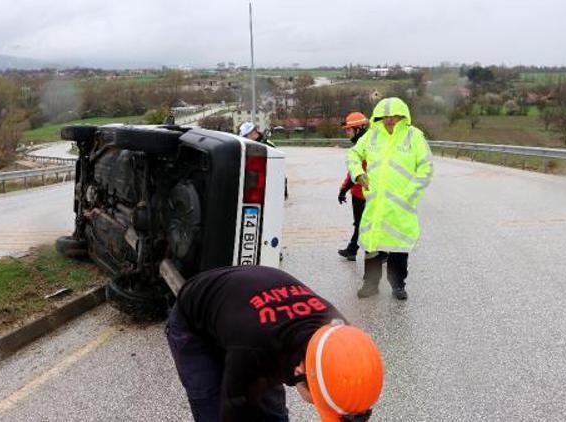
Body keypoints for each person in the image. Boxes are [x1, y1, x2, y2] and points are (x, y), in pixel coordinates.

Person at [166, 265, 384, 421]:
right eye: (317, 401)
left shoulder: (343, 337)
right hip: (195, 322)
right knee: (211, 407)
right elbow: (233, 409)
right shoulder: (255, 350)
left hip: (244, 307)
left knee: (271, 410)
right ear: (300, 369)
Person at [347, 97, 433, 301]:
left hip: (401, 206)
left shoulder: (414, 136)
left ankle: (398, 285)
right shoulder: (372, 136)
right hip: (376, 204)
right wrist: (358, 173)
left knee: (398, 248)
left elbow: (426, 167)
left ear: (403, 116)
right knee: (372, 246)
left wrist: (410, 194)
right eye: (385, 116)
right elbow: (353, 155)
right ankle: (370, 284)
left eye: (394, 115)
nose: (390, 120)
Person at [337, 112, 370, 261]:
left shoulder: (362, 147)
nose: (347, 133)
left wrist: (343, 190)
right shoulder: (370, 143)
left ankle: (356, 249)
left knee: (362, 223)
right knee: (362, 223)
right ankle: (353, 249)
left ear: (359, 129)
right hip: (364, 193)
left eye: (349, 130)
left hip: (361, 194)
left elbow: (354, 174)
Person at [240, 121, 287, 199]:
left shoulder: (267, 145)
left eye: (246, 136)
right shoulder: (246, 146)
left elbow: (278, 167)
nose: (244, 138)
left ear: (253, 133)